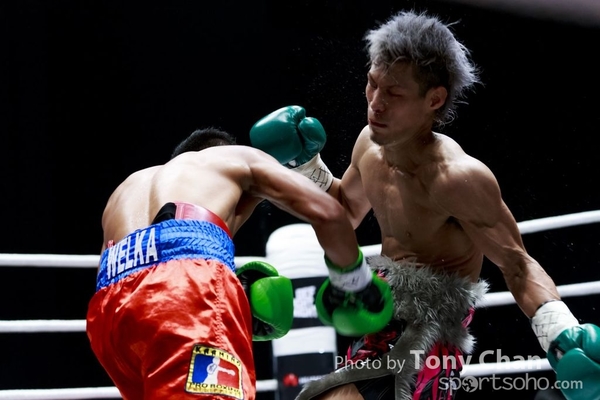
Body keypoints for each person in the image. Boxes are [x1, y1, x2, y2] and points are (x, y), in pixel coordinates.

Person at [248, 10, 600, 400]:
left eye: (394, 93)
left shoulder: (457, 178)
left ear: (434, 99)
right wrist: (307, 166)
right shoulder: (368, 144)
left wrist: (560, 332)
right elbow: (345, 210)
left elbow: (517, 264)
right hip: (380, 320)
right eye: (372, 83)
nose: (376, 103)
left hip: (427, 332)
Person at [85, 127, 394, 400]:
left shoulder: (128, 187)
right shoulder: (235, 158)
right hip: (184, 289)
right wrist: (354, 283)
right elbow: (330, 212)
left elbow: (144, 277)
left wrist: (231, 290)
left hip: (109, 311)